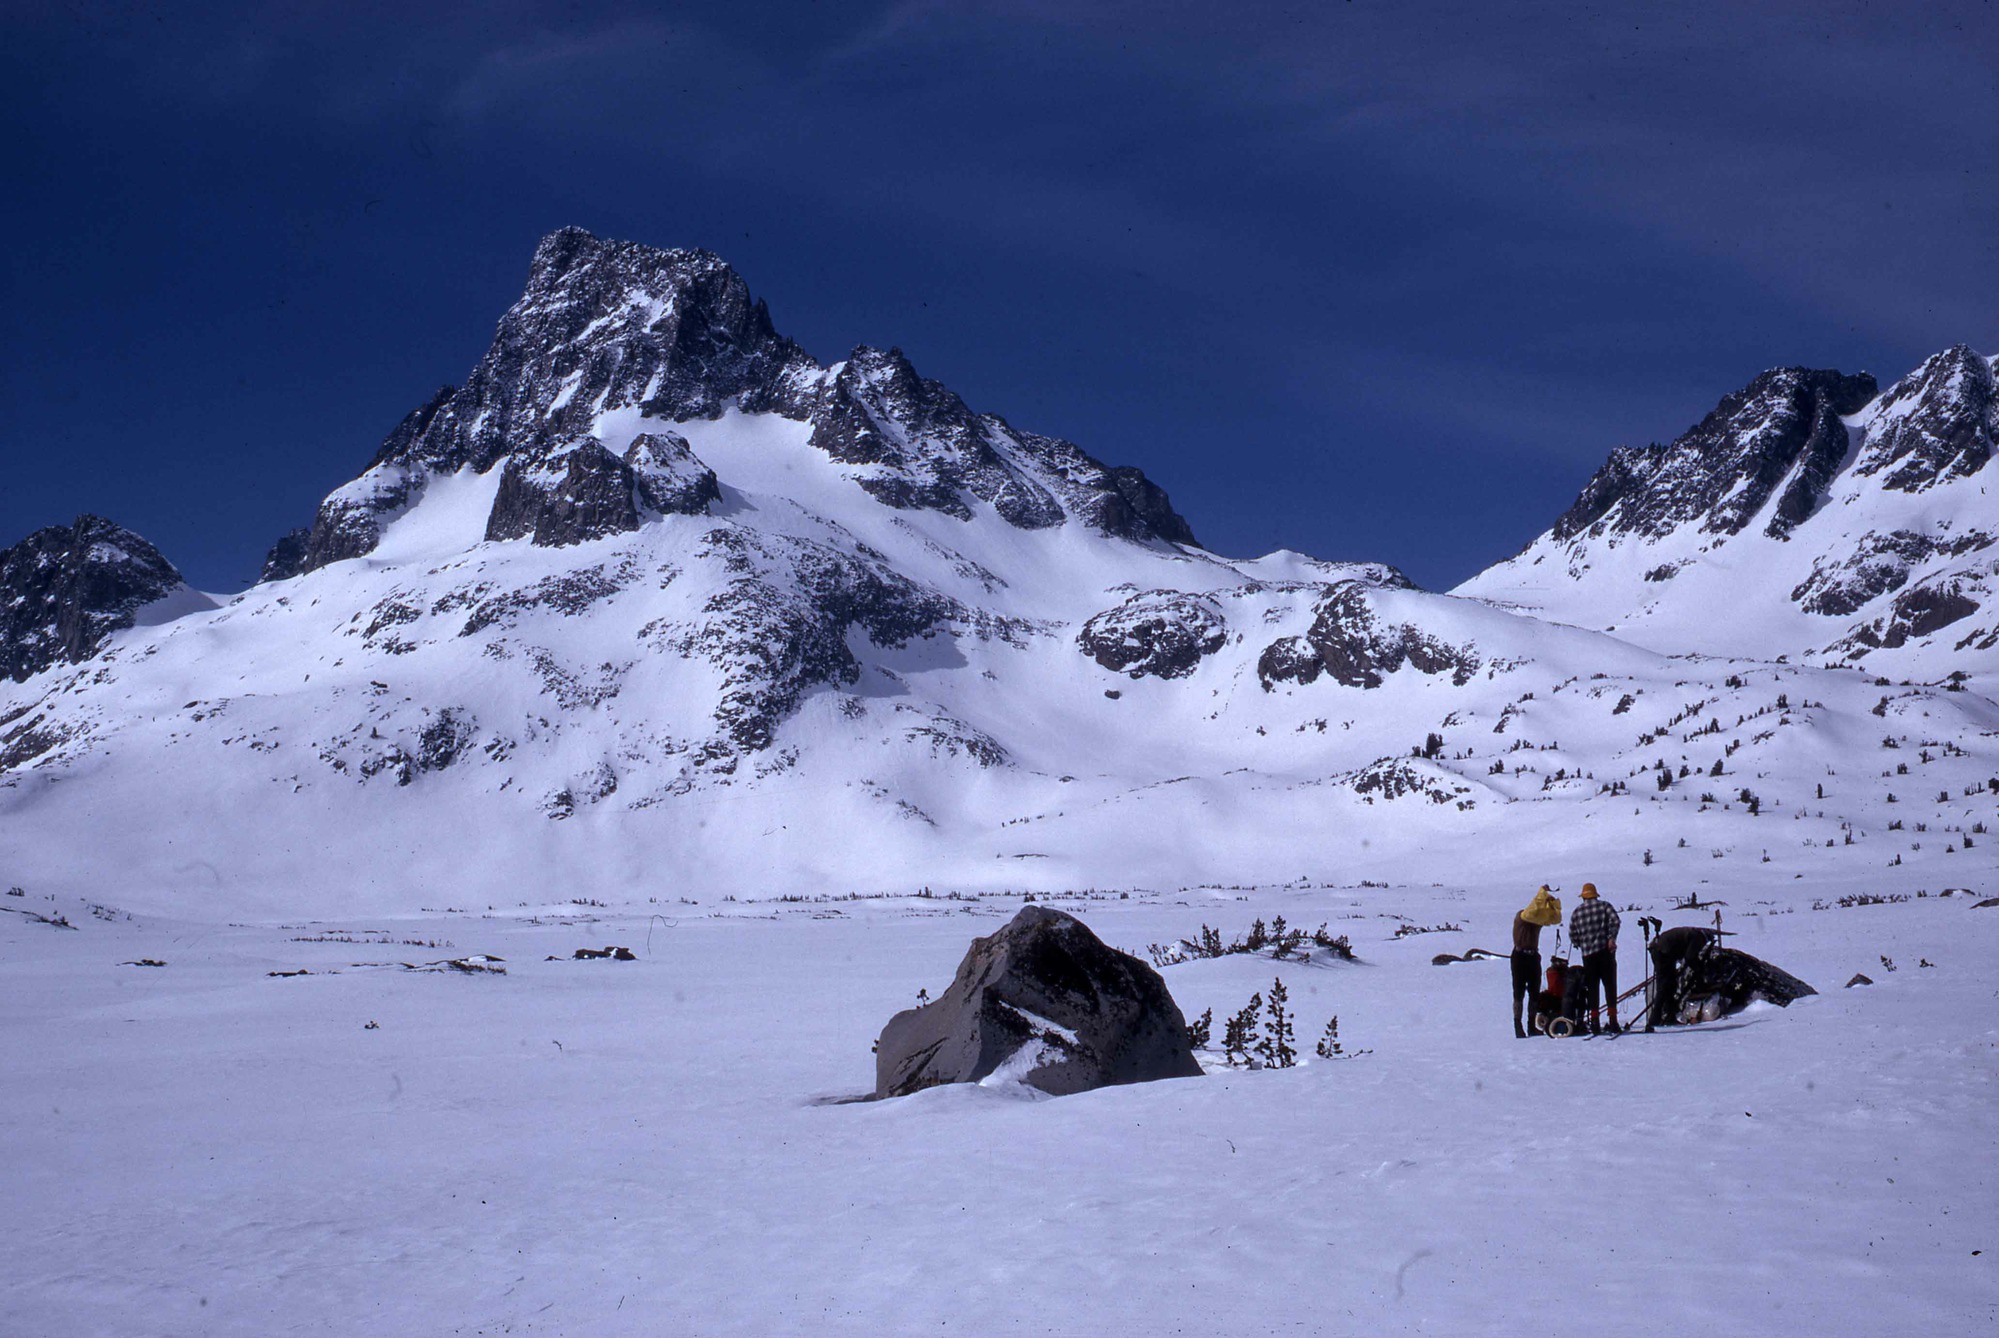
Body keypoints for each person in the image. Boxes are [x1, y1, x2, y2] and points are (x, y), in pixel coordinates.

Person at [1568, 882, 1622, 1034]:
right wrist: (1611, 938)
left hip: (1588, 956)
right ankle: (1613, 1020)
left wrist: (1582, 943)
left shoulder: (1577, 912)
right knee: (1610, 986)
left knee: (1593, 989)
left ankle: (1595, 1022)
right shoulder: (1604, 906)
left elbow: (1572, 935)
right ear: (1595, 895)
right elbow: (1615, 921)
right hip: (1605, 953)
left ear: (1583, 897)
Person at [1646, 925, 1720, 1032]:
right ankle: (1654, 1021)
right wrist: (1699, 969)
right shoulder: (1698, 937)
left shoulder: (1692, 933)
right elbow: (1690, 957)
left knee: (1671, 985)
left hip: (1662, 952)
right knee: (1664, 987)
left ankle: (1669, 1016)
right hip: (1662, 953)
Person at [1511, 886, 1562, 1038]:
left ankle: (1531, 1026)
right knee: (1518, 993)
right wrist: (1542, 894)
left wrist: (1549, 902)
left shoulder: (1536, 921)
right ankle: (1518, 1026)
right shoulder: (1522, 917)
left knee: (1534, 992)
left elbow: (1554, 918)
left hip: (1533, 956)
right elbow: (1533, 908)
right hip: (1520, 957)